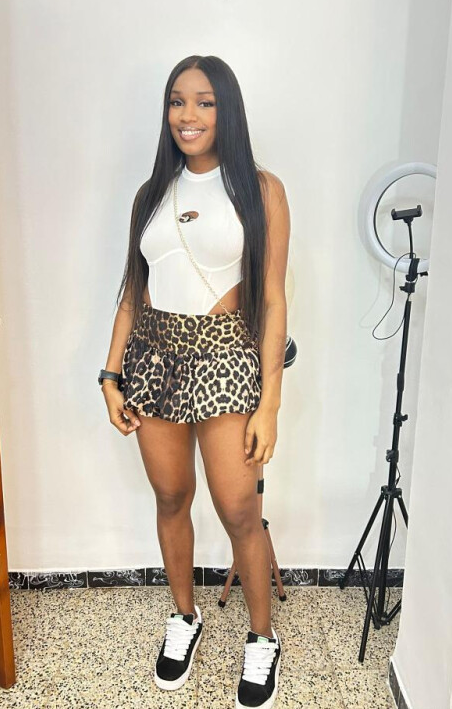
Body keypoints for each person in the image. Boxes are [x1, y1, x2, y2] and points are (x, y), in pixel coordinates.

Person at [100, 54, 290, 709]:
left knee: (239, 508)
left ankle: (262, 637)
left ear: (226, 109)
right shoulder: (150, 194)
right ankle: (185, 616)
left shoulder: (260, 189)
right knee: (171, 495)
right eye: (178, 101)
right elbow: (133, 291)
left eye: (204, 101)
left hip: (225, 356)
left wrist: (270, 401)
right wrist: (110, 374)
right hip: (153, 357)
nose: (188, 114)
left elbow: (273, 298)